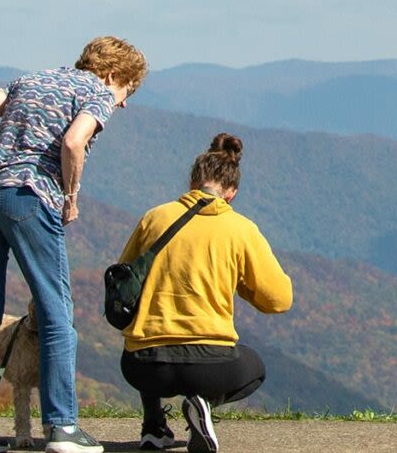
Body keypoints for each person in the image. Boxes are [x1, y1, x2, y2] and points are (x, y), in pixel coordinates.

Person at [0, 36, 150, 453]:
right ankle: (62, 427)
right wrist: (71, 197)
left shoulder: (34, 79)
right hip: (30, 197)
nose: (123, 103)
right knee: (57, 313)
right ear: (112, 75)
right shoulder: (95, 91)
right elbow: (74, 142)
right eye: (126, 91)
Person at [114, 132, 295, 453]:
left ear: (192, 182)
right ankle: (203, 402)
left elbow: (124, 281)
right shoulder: (241, 230)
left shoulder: (154, 218)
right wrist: (241, 286)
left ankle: (153, 427)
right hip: (211, 367)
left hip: (143, 368)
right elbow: (279, 300)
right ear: (232, 193)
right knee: (255, 369)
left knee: (149, 328)